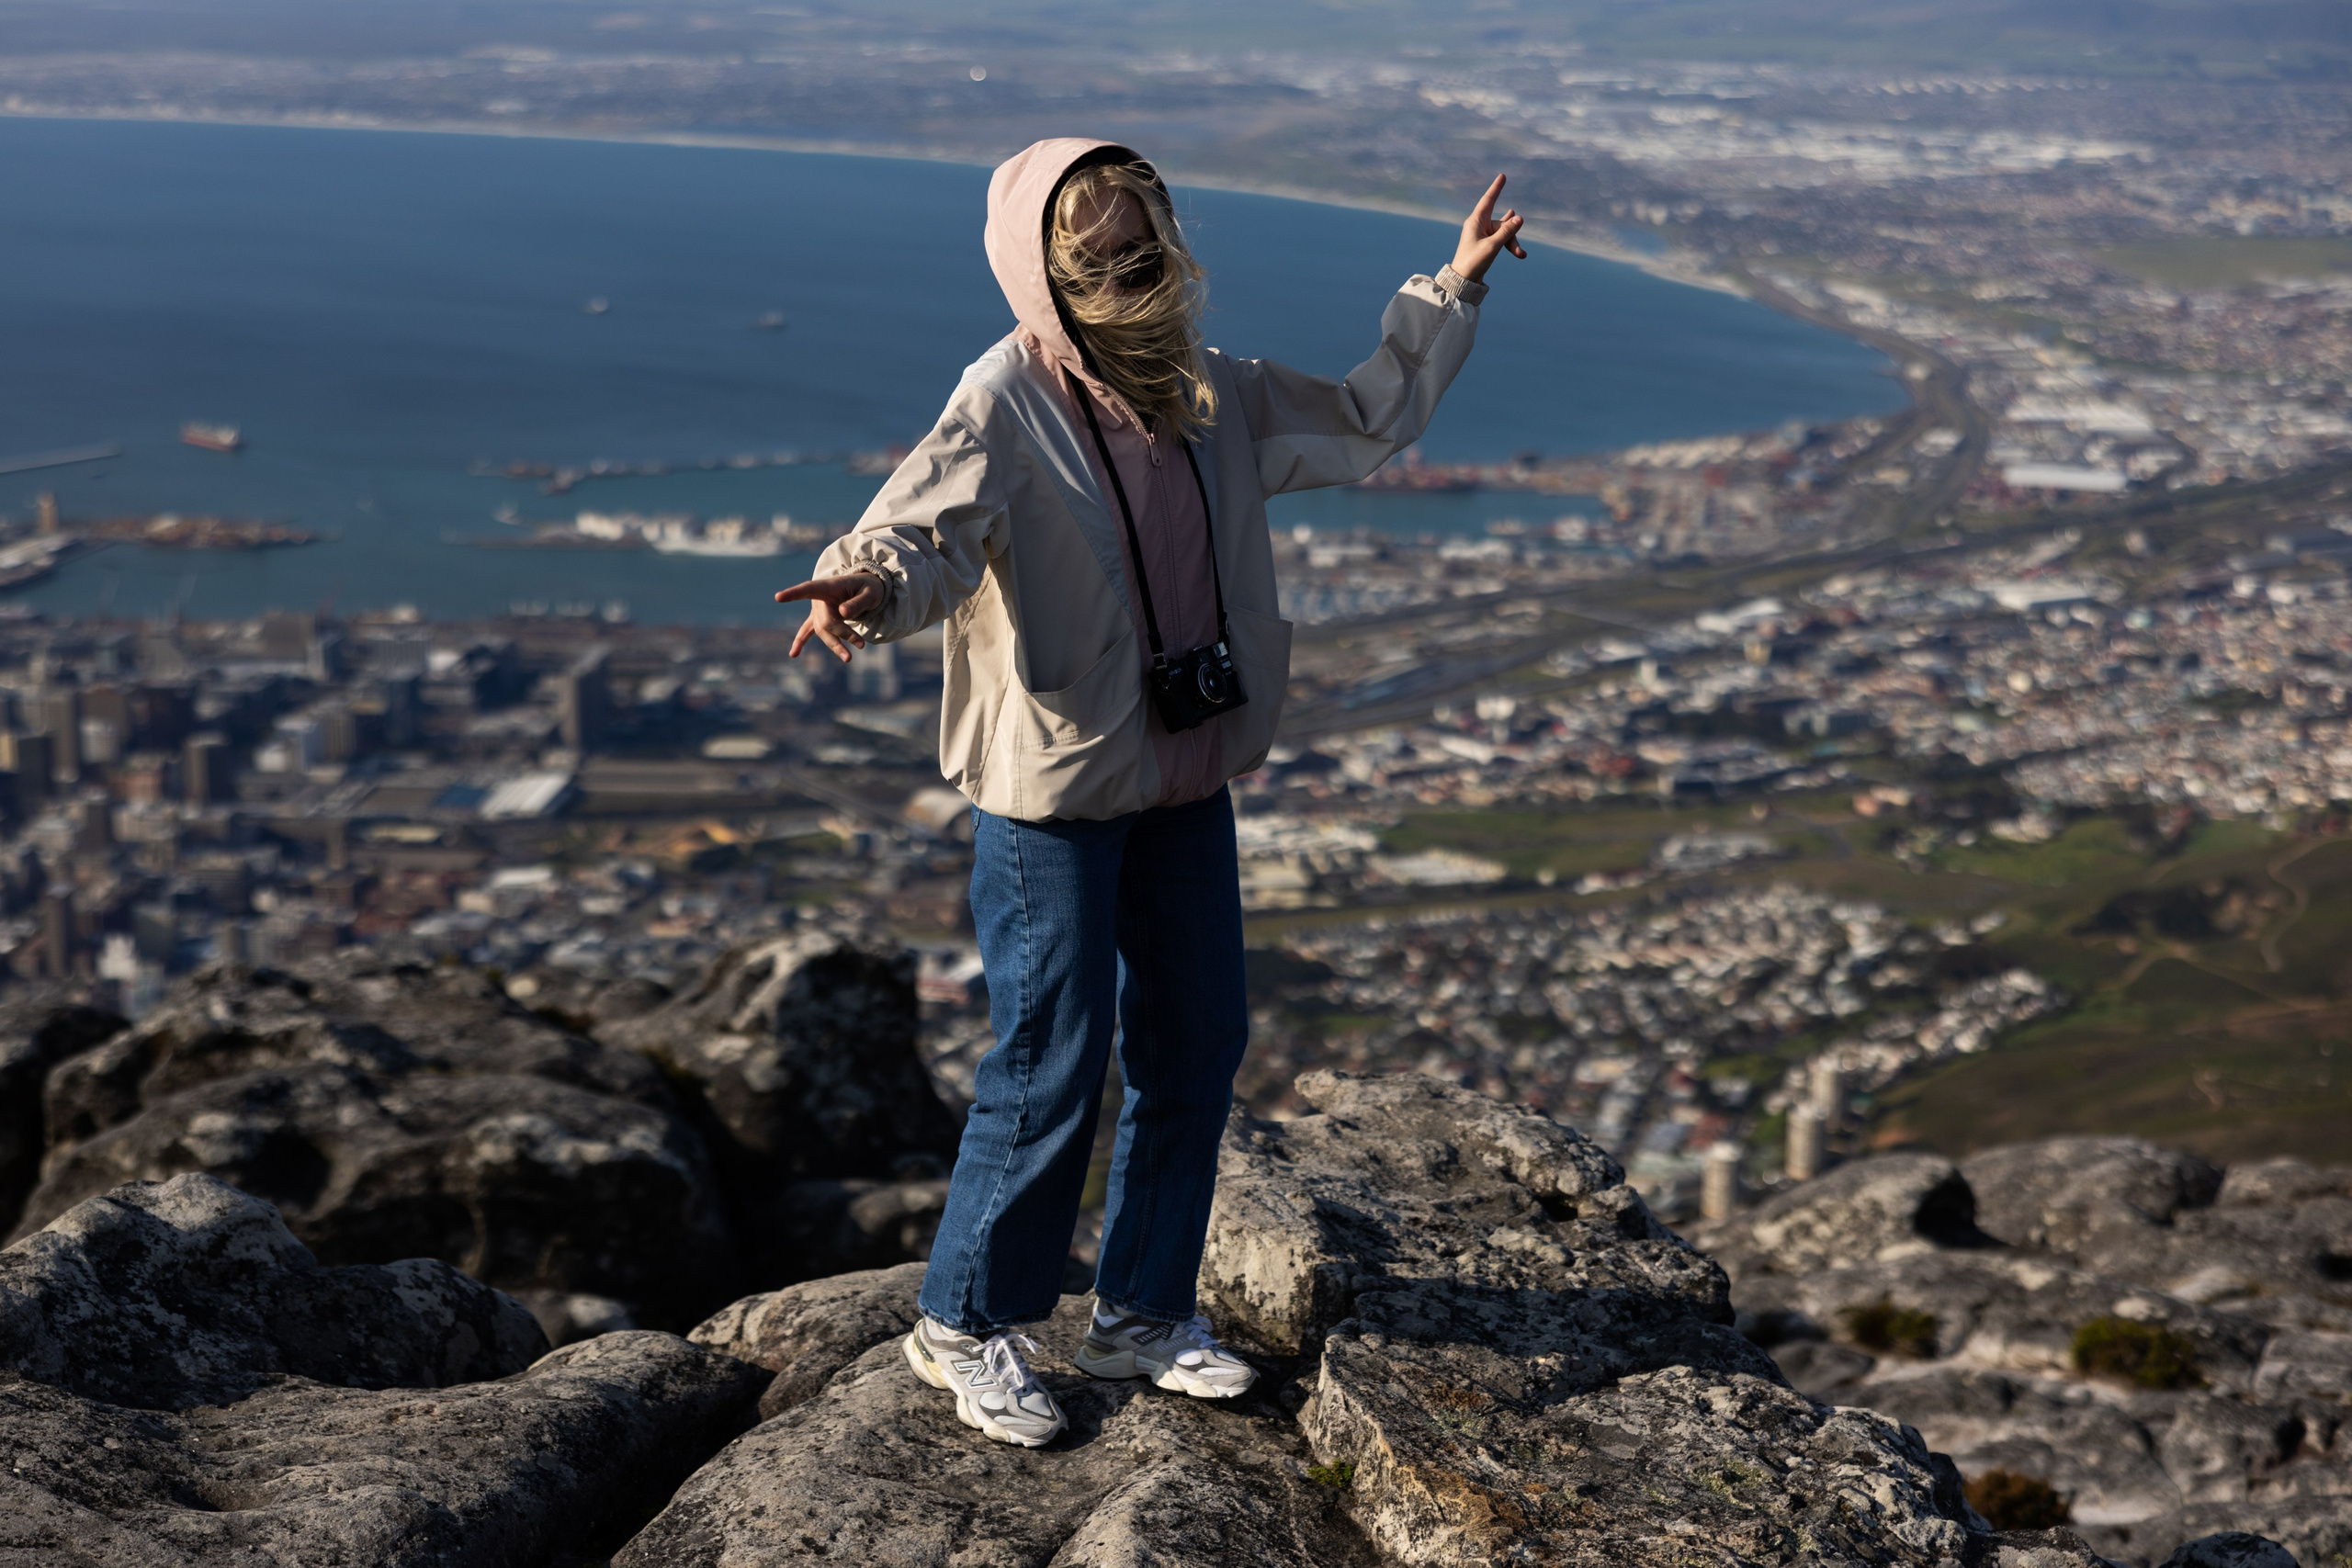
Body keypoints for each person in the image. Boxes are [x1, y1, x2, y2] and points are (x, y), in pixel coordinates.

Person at [772, 138, 1523, 1447]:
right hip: (1055, 788)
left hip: (1183, 764)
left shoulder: (1206, 386)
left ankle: (1142, 1311)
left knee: (1197, 1044)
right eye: (1099, 262)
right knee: (1050, 1059)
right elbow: (923, 530)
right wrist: (865, 585)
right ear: (1043, 275)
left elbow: (1361, 421)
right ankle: (962, 1324)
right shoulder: (1003, 399)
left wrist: (1447, 293)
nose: (1130, 277)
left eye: (1142, 249)